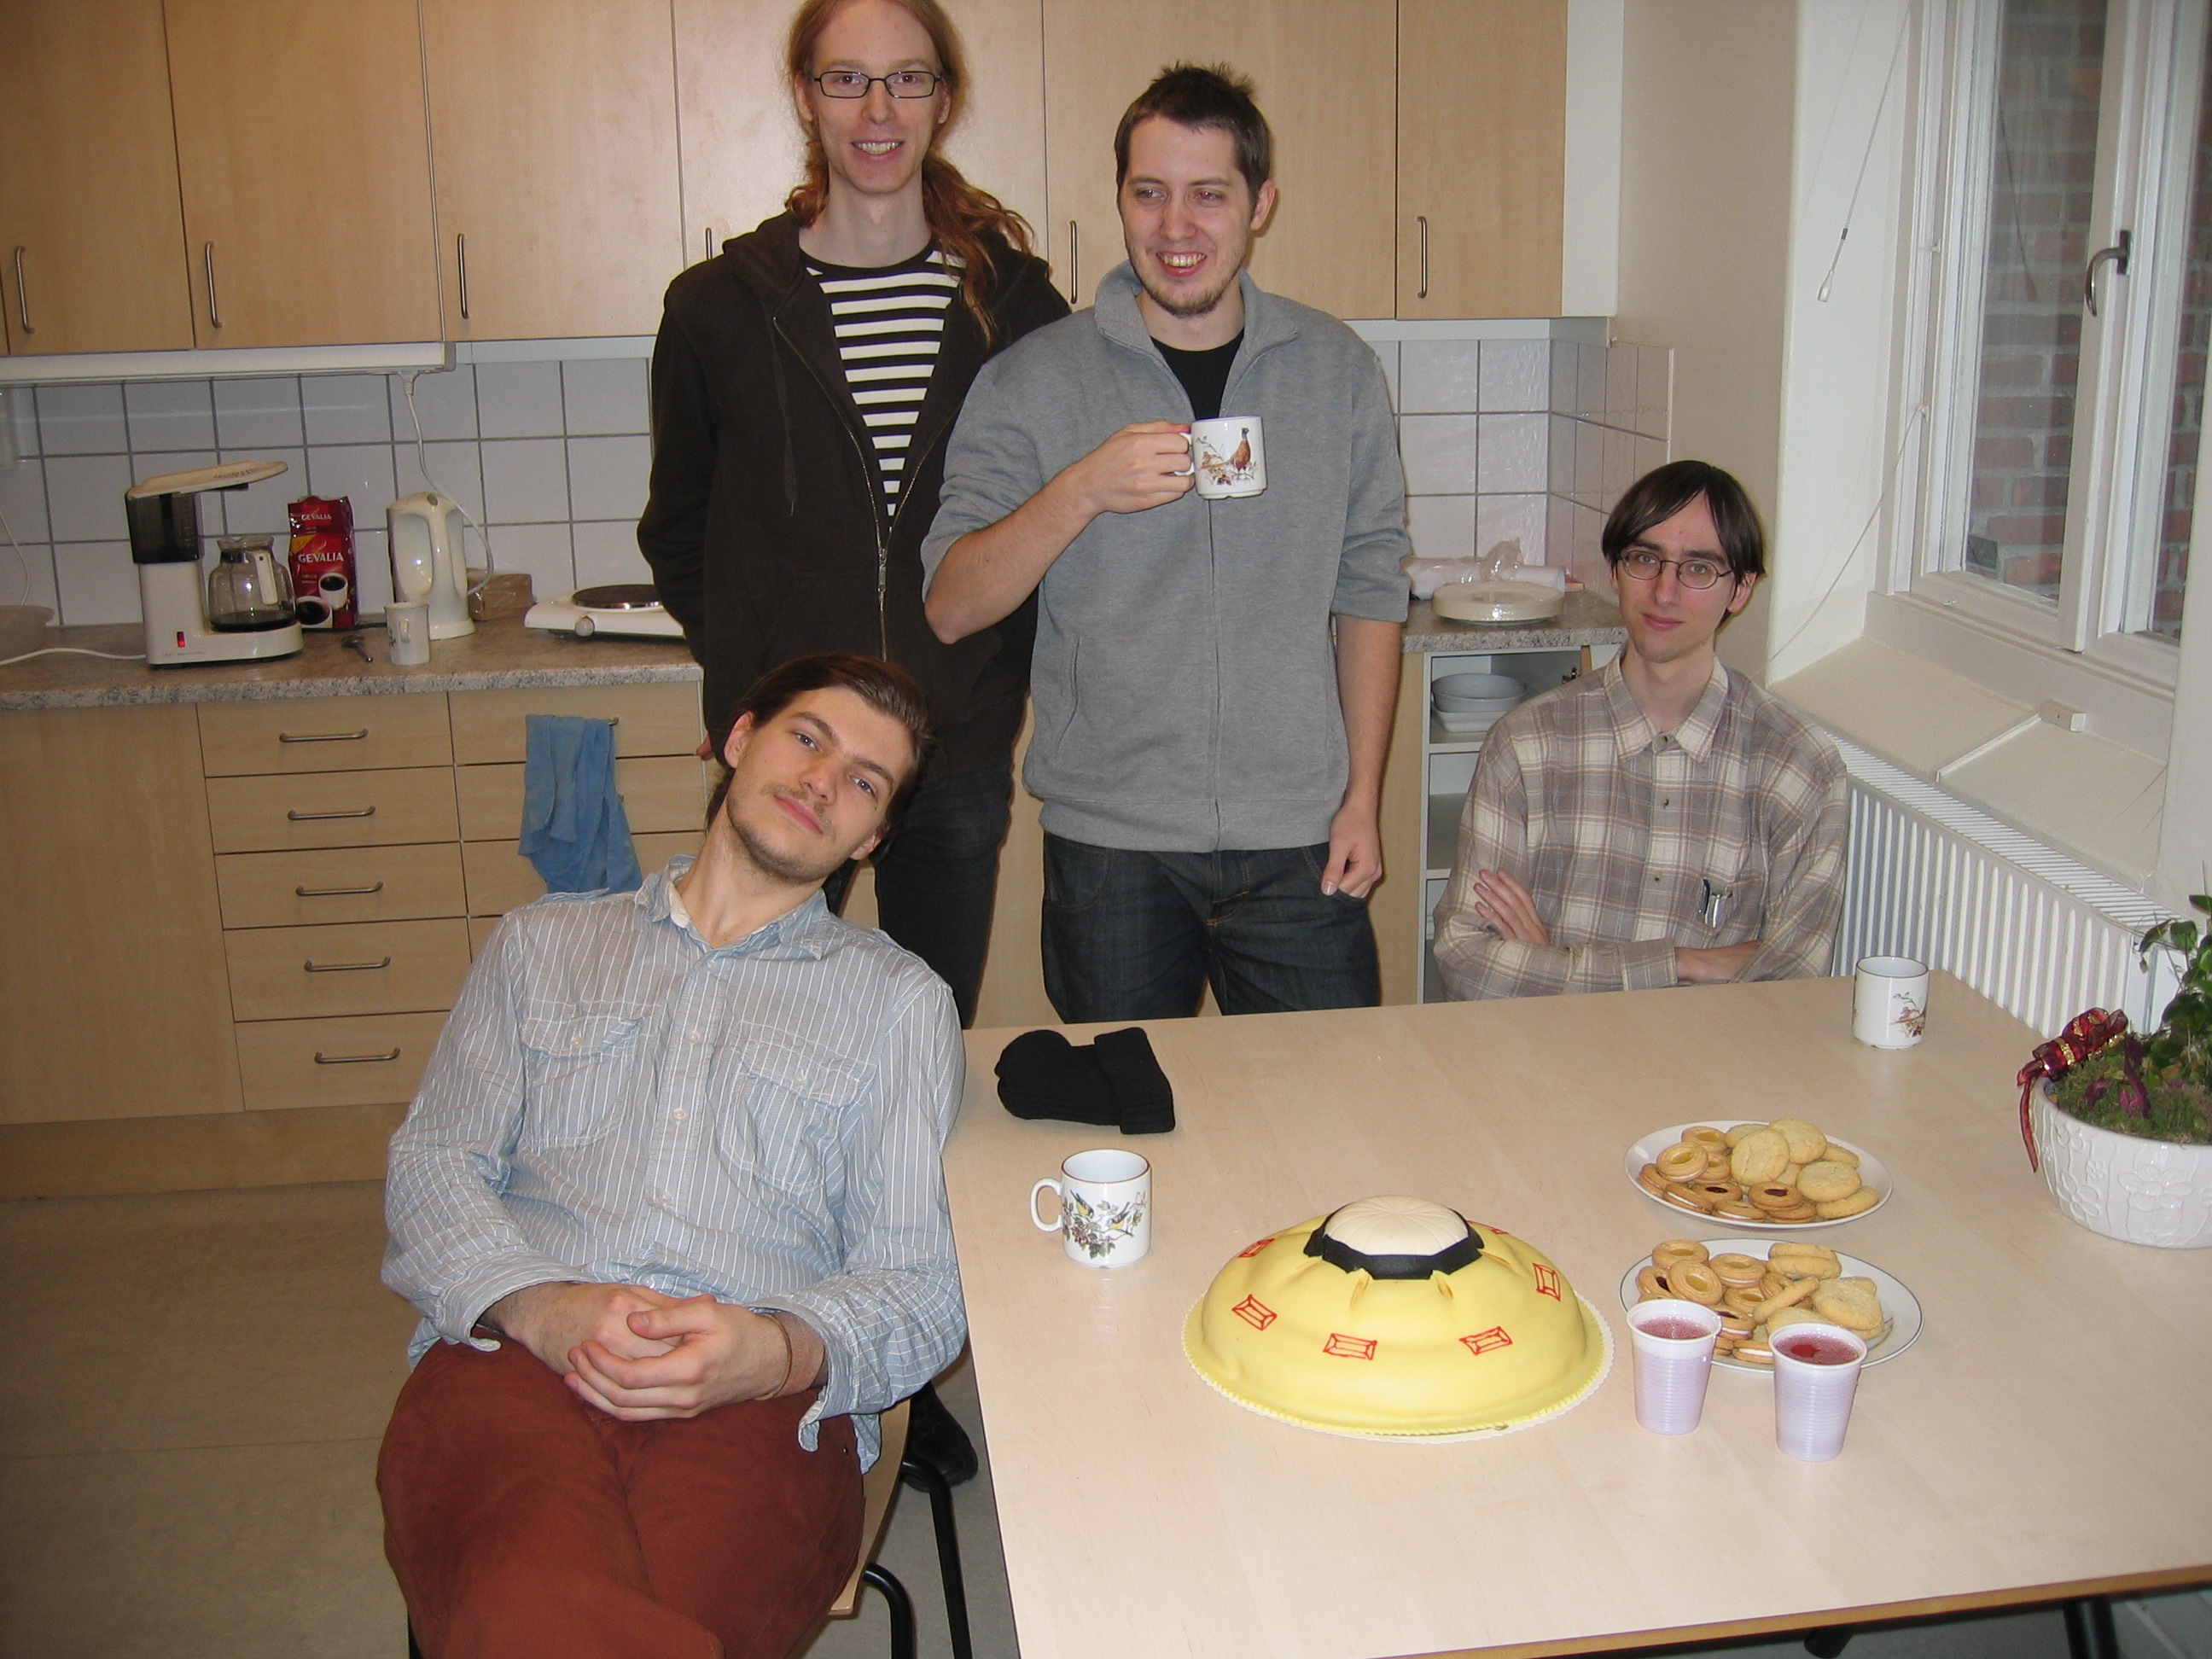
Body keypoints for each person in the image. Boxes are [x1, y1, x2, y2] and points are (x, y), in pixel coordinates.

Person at [377, 654, 963, 1659]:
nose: (823, 780)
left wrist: (772, 1351)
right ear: (738, 741)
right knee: (528, 1598)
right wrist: (542, 1306)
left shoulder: (900, 1004)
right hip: (512, 1360)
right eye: (807, 738)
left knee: (566, 1623)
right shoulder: (540, 945)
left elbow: (922, 1284)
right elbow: (432, 1166)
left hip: (761, 1405)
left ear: (874, 837)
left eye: (865, 782)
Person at [920, 64, 1411, 1022]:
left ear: (1261, 205)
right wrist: (1080, 492)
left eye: (1208, 195)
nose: (1175, 227)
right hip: (1113, 849)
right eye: (1149, 194)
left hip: (1299, 840)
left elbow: (1370, 594)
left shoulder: (1336, 372)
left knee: (1334, 1117)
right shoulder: (1033, 382)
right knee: (1126, 1124)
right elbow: (951, 603)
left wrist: (1360, 801)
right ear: (1121, 202)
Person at [637, 0, 1068, 1031]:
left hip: (951, 745)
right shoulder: (717, 309)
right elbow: (679, 528)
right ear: (804, 96)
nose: (878, 109)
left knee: (923, 1030)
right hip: (789, 751)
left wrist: (999, 667)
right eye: (847, 80)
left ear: (943, 100)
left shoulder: (1014, 310)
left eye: (908, 79)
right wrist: (750, 687)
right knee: (741, 1020)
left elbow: (1056, 522)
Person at [1429, 461, 1848, 1000]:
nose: (1664, 592)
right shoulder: (1526, 745)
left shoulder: (1798, 766)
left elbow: (1794, 985)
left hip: (1707, 1072)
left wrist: (1554, 966)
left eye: (1698, 569)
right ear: (1615, 570)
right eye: (1645, 559)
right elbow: (1466, 957)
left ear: (1741, 589)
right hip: (1549, 1063)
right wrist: (1687, 964)